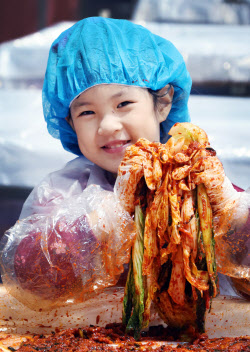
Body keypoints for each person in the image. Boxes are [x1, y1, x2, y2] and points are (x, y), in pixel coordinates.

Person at [0, 17, 249, 310]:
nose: (107, 125)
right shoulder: (64, 192)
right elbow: (29, 282)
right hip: (86, 335)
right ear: (70, 123)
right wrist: (105, 219)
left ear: (164, 102)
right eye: (87, 112)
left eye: (123, 104)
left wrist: (233, 214)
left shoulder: (200, 183)